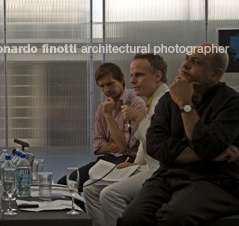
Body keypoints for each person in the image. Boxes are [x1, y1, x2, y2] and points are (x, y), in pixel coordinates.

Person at [118, 43, 239, 225]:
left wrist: (185, 103)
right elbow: (155, 145)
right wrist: (209, 155)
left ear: (216, 74)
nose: (185, 66)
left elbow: (208, 146)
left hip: (215, 179)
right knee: (131, 217)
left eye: (196, 62)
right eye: (186, 59)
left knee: (174, 218)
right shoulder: (168, 100)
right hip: (169, 174)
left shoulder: (231, 103)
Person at [84, 53, 168, 226]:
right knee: (88, 188)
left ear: (157, 76)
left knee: (109, 194)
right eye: (132, 75)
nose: (133, 81)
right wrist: (135, 163)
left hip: (155, 169)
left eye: (138, 75)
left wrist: (136, 118)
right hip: (134, 163)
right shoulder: (150, 102)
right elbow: (98, 145)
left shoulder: (153, 102)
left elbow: (129, 145)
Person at [58, 62, 146, 189]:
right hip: (107, 159)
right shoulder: (102, 108)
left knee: (91, 187)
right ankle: (77, 209)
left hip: (128, 161)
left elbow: (125, 146)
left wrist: (109, 116)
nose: (106, 90)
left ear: (121, 79)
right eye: (102, 86)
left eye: (110, 84)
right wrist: (117, 145)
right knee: (65, 183)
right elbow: (97, 147)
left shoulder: (136, 104)